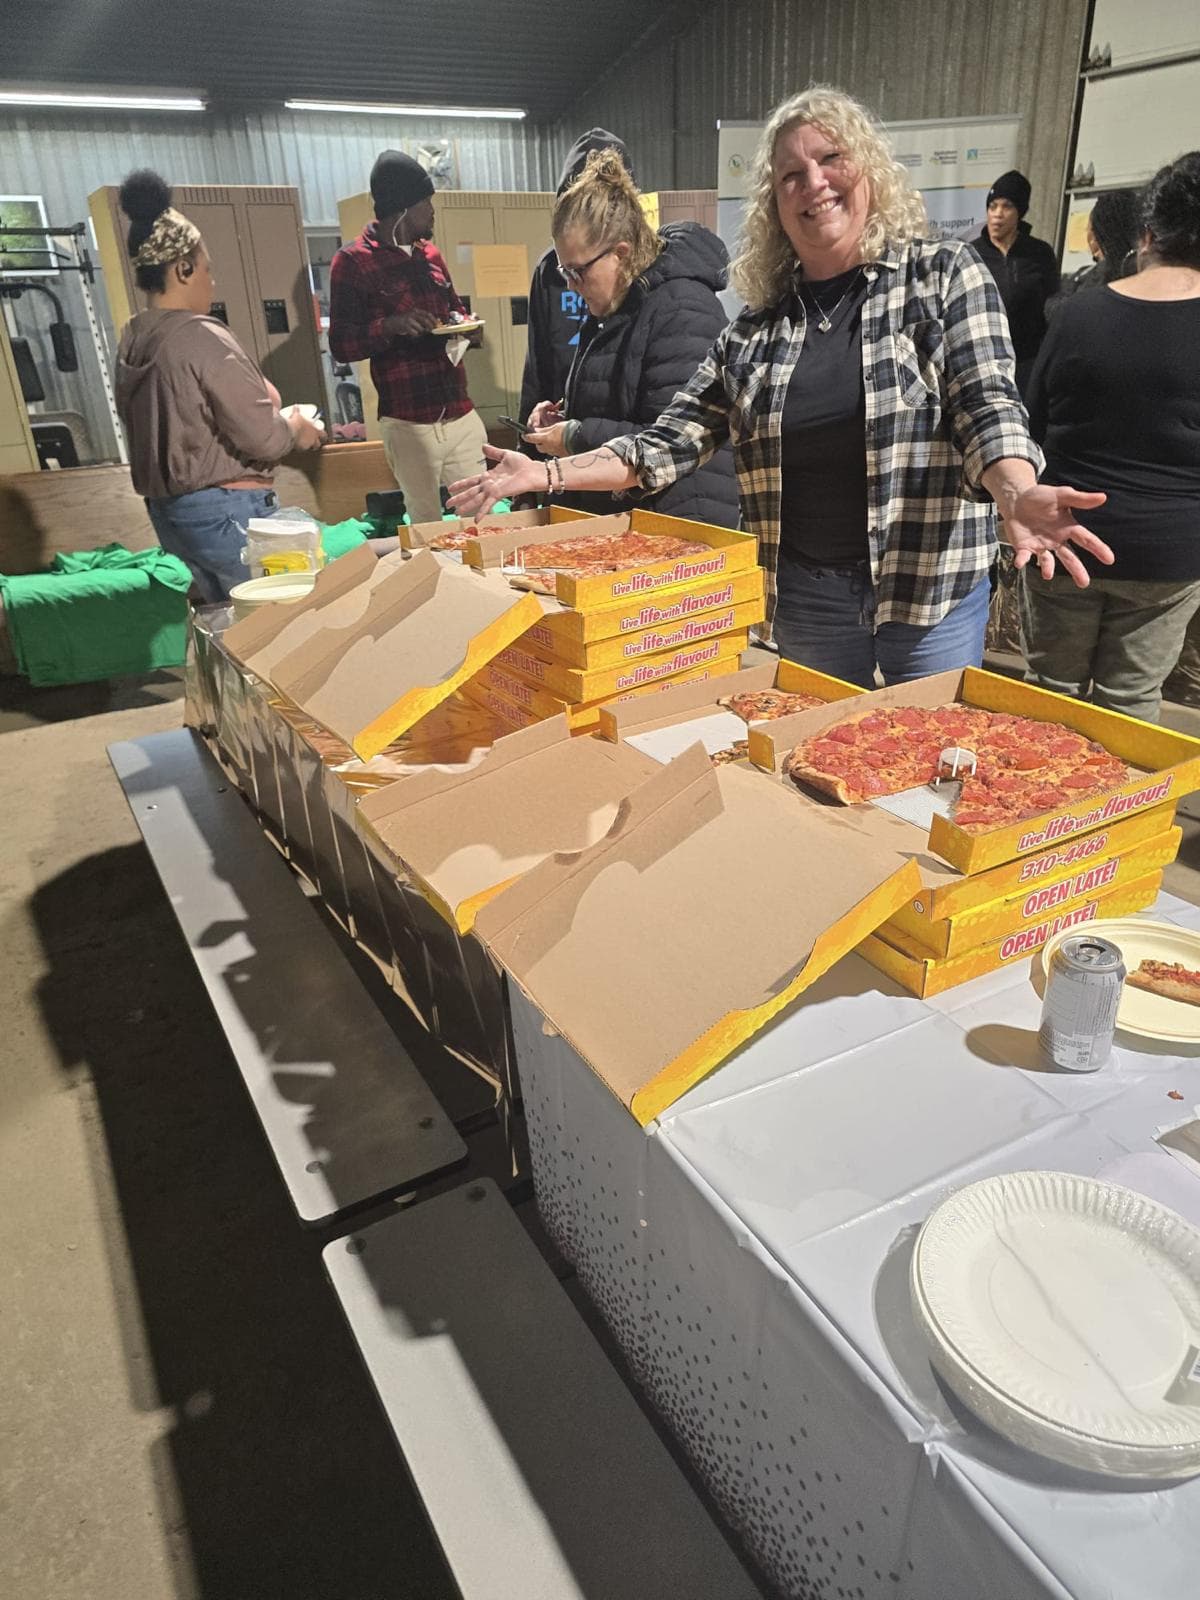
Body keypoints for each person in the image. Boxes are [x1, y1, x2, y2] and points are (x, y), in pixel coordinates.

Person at [449, 86, 1111, 689]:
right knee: (821, 781)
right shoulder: (757, 333)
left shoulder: (944, 277)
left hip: (929, 591)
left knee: (926, 769)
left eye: (830, 160)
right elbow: (663, 444)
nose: (814, 183)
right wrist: (542, 475)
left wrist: (1017, 491)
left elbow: (986, 405)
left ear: (869, 172)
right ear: (775, 204)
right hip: (809, 601)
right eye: (791, 175)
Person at [1020, 152, 1200, 724]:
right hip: (1171, 550)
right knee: (1130, 703)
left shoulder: (1079, 313)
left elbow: (1032, 420)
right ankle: (1117, 813)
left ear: (1146, 234)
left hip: (1065, 534)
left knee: (1047, 696)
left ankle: (1033, 810)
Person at [114, 171, 324, 604]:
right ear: (184, 268)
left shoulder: (135, 335)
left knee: (220, 624)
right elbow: (263, 438)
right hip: (228, 512)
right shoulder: (199, 335)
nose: (213, 282)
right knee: (270, 626)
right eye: (208, 269)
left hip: (172, 513)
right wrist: (296, 427)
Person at [521, 151, 739, 527]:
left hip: (677, 522)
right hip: (630, 515)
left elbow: (667, 441)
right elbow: (620, 399)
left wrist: (574, 436)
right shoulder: (613, 306)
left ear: (620, 253)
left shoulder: (682, 307)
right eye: (564, 272)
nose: (571, 286)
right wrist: (564, 415)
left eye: (577, 272)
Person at [328, 150, 486, 524]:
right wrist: (391, 326)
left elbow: (451, 310)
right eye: (426, 203)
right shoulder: (352, 262)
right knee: (426, 524)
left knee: (484, 515)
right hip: (409, 422)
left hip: (459, 412)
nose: (432, 212)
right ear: (402, 209)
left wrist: (465, 324)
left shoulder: (429, 254)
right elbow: (341, 345)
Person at [517, 128, 634, 441]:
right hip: (566, 439)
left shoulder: (659, 282)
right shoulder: (548, 270)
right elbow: (538, 365)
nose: (573, 286)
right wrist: (529, 442)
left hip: (626, 452)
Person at [973, 170, 1059, 394]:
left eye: (1006, 206)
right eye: (992, 206)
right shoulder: (971, 253)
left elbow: (1052, 306)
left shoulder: (1039, 253)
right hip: (983, 363)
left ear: (1020, 212)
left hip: (1027, 364)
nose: (997, 214)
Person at [1048, 187, 1141, 315]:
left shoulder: (1084, 282)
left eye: (1089, 230)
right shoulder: (1151, 274)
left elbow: (1055, 311)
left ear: (1094, 239)